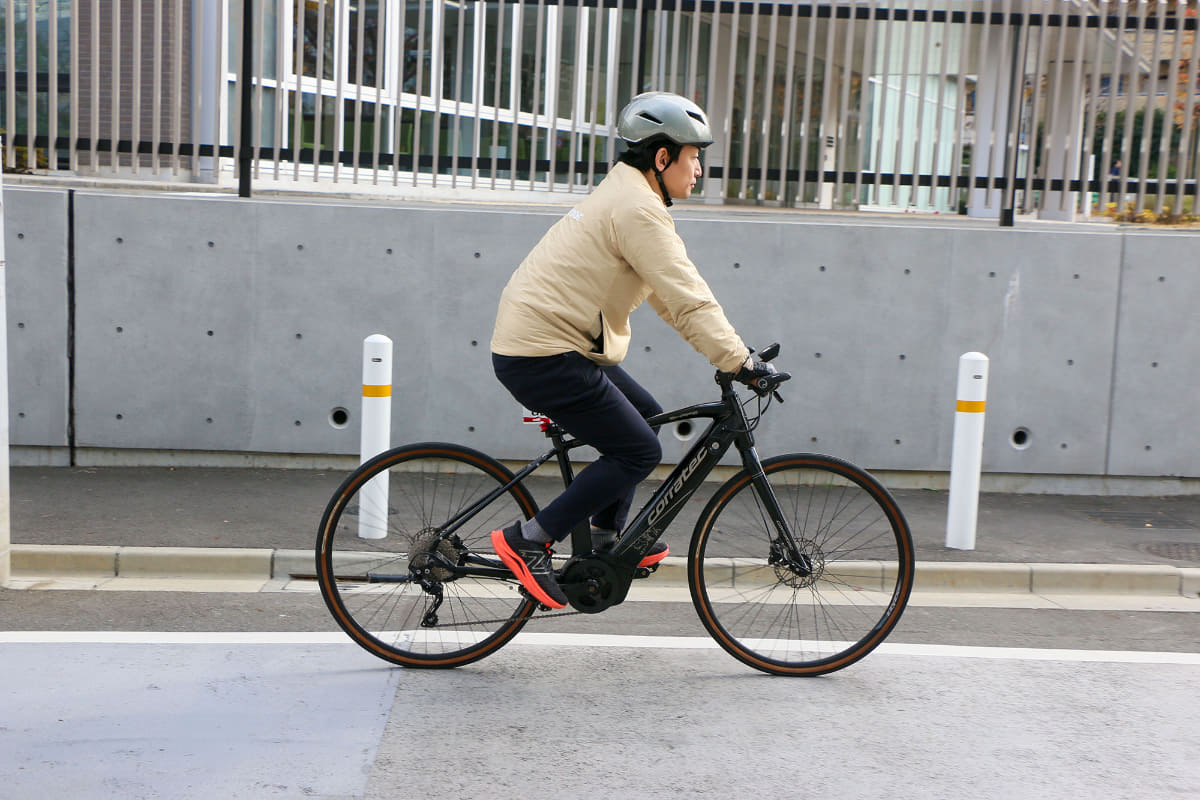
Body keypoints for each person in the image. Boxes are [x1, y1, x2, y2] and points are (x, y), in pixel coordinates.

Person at [489, 91, 776, 609]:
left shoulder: (631, 197)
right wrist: (739, 362)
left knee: (646, 418)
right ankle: (529, 539)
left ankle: (606, 541)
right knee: (639, 450)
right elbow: (689, 299)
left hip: (552, 343)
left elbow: (671, 299)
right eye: (693, 157)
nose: (699, 170)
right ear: (662, 157)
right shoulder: (638, 209)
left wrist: (734, 354)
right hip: (544, 351)